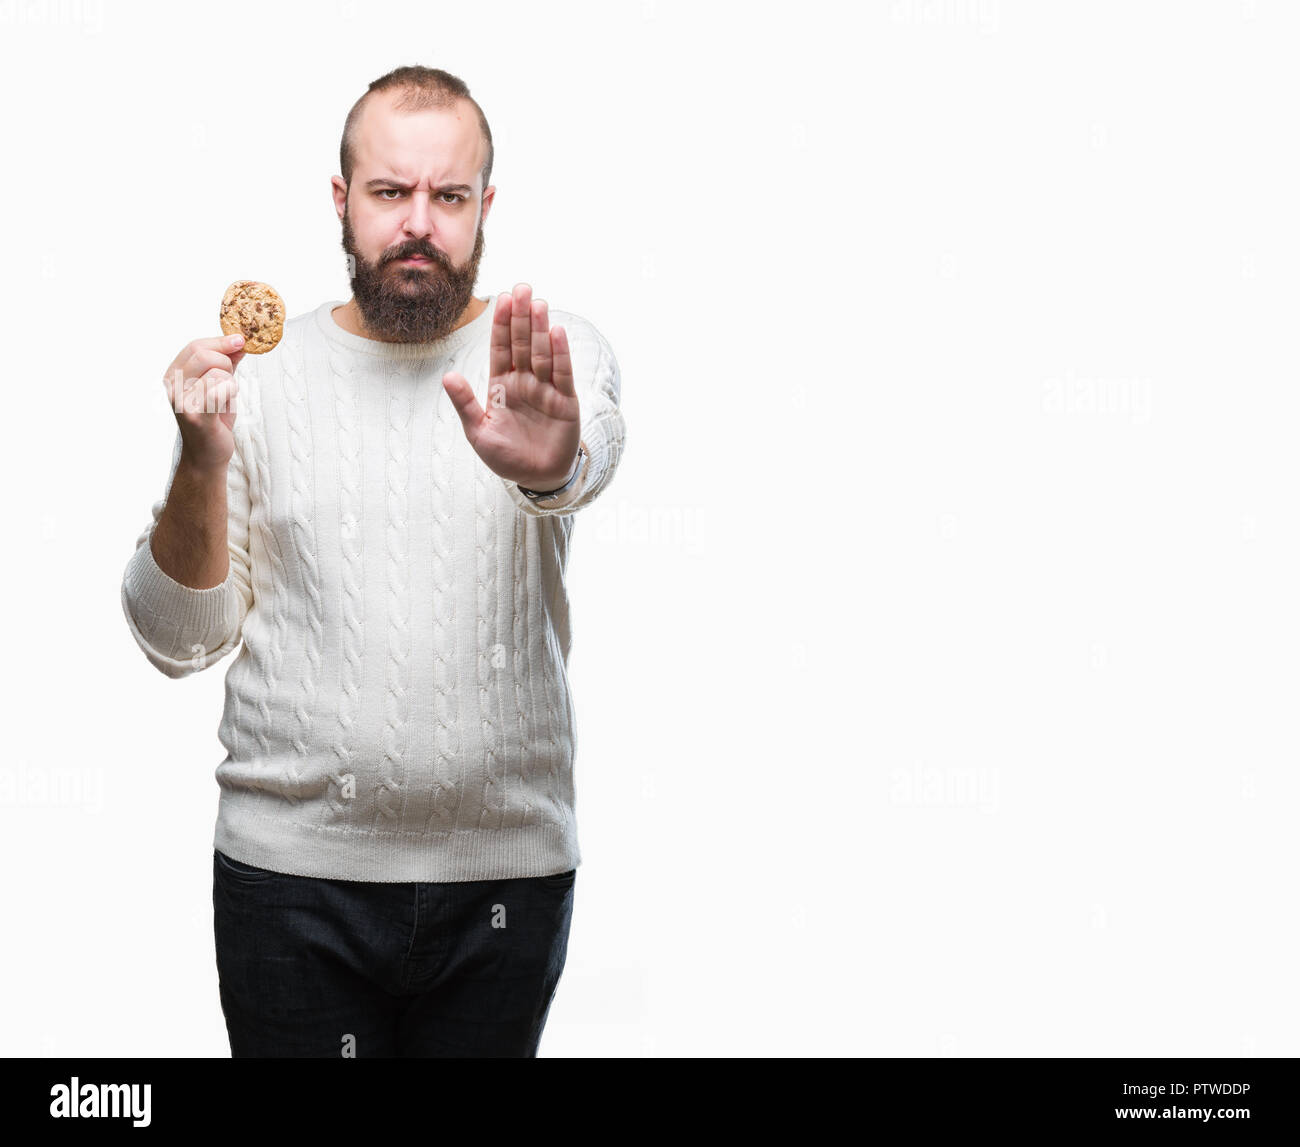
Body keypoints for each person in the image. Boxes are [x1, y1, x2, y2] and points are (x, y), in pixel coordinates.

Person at [119, 65, 627, 1058]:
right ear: (343, 202)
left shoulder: (547, 354)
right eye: (391, 193)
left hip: (506, 875)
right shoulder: (255, 379)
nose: (419, 224)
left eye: (448, 196)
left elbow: (592, 450)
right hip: (290, 881)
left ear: (485, 207)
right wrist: (199, 458)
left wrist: (556, 457)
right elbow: (177, 639)